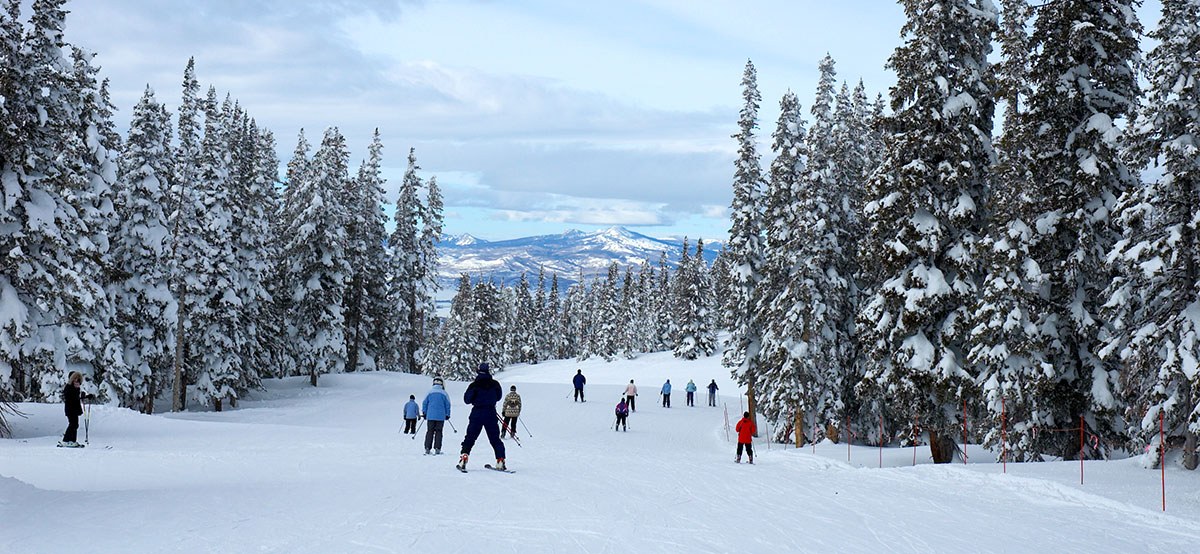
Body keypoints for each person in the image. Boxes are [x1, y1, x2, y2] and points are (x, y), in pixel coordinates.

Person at [458, 363, 507, 471]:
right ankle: (500, 459)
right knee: (495, 438)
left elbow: (467, 400)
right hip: (490, 412)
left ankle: (464, 458)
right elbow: (498, 397)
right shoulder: (495, 384)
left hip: (477, 412)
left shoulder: (474, 385)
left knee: (470, 437)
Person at [422, 377, 452, 455]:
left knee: (430, 431)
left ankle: (427, 448)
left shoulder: (429, 392)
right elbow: (448, 405)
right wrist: (447, 414)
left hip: (430, 416)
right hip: (440, 417)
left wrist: (424, 413)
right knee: (439, 432)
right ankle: (437, 448)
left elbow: (424, 403)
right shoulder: (444, 393)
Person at [59, 371, 88, 448]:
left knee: (75, 424)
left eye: (78, 378)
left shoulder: (76, 387)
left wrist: (84, 396)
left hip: (74, 409)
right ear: (71, 379)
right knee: (73, 424)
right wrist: (79, 396)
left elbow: (77, 398)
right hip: (70, 409)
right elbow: (70, 398)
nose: (76, 380)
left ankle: (72, 441)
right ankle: (67, 440)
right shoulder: (69, 387)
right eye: (74, 378)